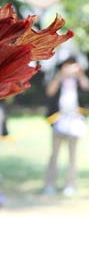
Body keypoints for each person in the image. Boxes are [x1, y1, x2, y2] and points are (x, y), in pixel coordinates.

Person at [43, 56, 89, 196]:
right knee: (54, 155)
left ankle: (70, 184)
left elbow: (86, 87)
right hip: (58, 120)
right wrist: (60, 76)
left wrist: (80, 73)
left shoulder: (78, 80)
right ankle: (50, 184)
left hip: (75, 121)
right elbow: (49, 92)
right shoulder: (57, 78)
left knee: (72, 155)